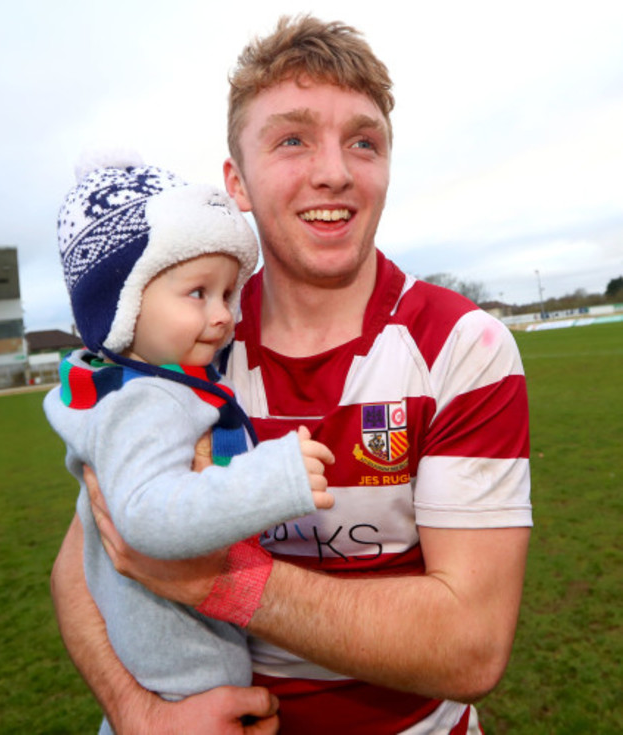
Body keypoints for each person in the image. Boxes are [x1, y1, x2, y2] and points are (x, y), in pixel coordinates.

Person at [51, 15, 532, 735]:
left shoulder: (462, 346)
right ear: (235, 183)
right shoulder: (189, 344)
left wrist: (219, 578)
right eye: (292, 139)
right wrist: (137, 711)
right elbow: (88, 552)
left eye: (363, 141)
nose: (334, 170)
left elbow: (470, 645)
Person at [44, 152, 335, 735]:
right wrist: (274, 478)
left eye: (228, 294)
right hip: (183, 681)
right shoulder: (144, 404)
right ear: (123, 306)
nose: (224, 315)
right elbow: (148, 518)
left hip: (176, 674)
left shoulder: (149, 383)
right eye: (198, 293)